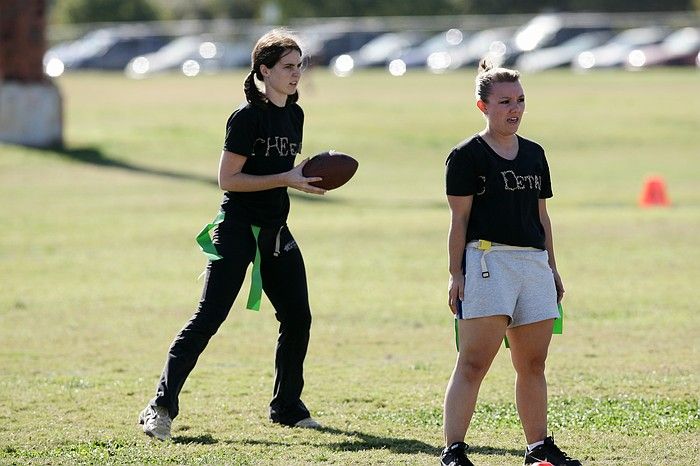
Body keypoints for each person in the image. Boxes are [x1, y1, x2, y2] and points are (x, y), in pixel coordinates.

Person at [139, 29, 326, 441]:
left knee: (298, 318)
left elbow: (283, 173)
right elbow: (228, 179)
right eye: (288, 67)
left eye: (300, 66)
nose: (296, 74)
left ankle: (287, 406)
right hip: (237, 229)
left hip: (276, 231)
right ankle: (160, 406)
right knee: (208, 318)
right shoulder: (246, 116)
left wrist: (304, 176)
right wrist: (287, 178)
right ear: (264, 70)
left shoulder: (295, 113)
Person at [440, 58, 581, 466]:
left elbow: (541, 217)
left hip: (533, 265)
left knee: (533, 363)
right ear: (483, 106)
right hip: (487, 263)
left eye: (520, 100)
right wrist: (455, 274)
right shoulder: (467, 155)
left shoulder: (535, 154)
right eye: (504, 102)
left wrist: (552, 267)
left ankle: (538, 448)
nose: (514, 108)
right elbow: (459, 219)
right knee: (474, 363)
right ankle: (454, 452)